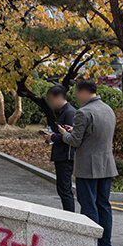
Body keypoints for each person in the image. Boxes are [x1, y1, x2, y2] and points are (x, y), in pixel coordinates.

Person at [57, 79, 117, 246]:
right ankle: (106, 244)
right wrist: (74, 130)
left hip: (88, 166)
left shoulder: (83, 112)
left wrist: (64, 134)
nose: (76, 96)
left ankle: (91, 244)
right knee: (104, 204)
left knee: (89, 204)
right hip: (106, 164)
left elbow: (75, 141)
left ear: (83, 92)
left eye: (77, 92)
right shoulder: (108, 109)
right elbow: (94, 135)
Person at [41, 84, 76, 212]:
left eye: (51, 99)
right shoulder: (63, 111)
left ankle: (70, 217)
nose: (51, 102)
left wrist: (53, 138)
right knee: (62, 188)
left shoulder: (69, 112)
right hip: (60, 154)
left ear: (59, 97)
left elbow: (71, 137)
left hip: (65, 156)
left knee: (65, 189)